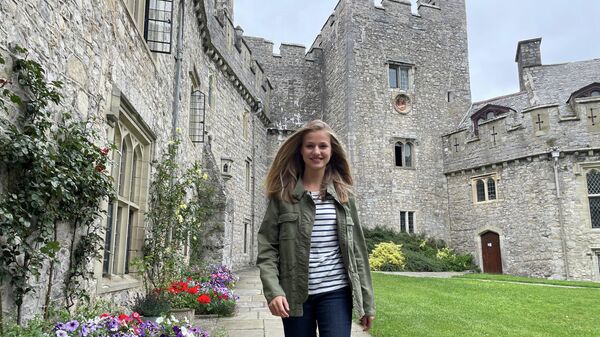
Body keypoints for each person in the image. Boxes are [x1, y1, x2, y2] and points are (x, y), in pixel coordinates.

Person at [256, 120, 375, 337]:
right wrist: (273, 291)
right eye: (310, 146)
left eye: (323, 146)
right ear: (300, 151)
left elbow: (358, 250)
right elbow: (268, 248)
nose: (316, 151)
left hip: (336, 293)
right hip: (294, 294)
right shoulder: (283, 195)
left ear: (332, 151)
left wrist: (367, 303)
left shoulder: (344, 196)